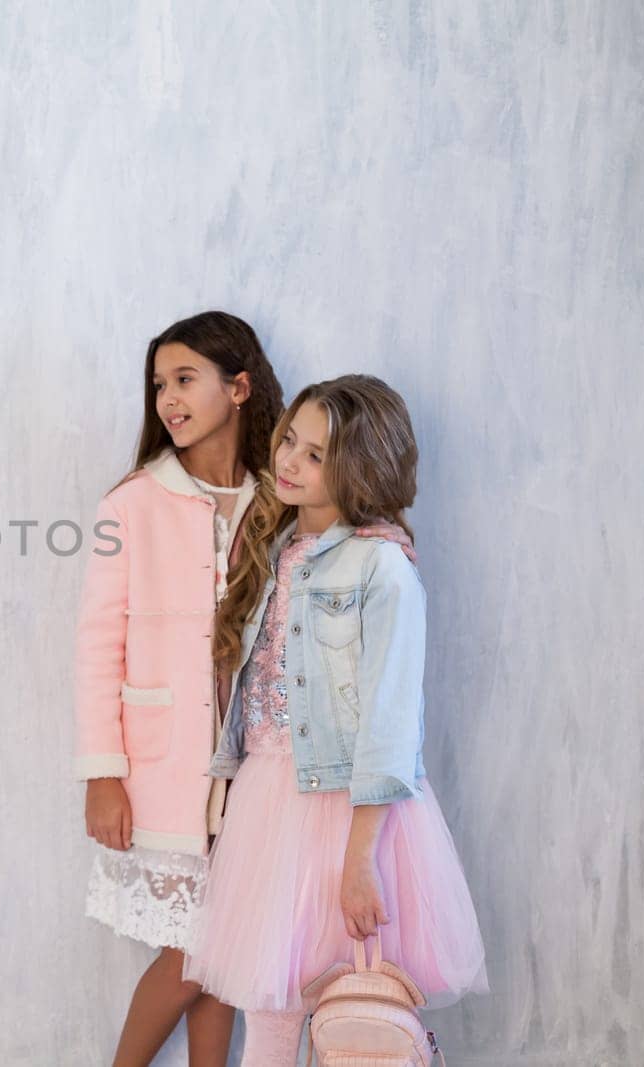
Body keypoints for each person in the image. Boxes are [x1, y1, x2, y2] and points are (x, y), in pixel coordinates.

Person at [73, 313, 414, 1066]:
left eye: (185, 379)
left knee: (231, 956)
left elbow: (343, 548)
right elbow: (98, 642)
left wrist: (384, 531)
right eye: (158, 384)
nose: (167, 398)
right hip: (166, 770)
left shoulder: (279, 496)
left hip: (255, 776)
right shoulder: (131, 503)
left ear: (240, 386)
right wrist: (103, 770)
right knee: (196, 955)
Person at [180, 375, 489, 1065]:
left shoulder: (382, 567)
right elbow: (255, 696)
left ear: (360, 467)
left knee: (349, 1013)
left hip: (346, 812)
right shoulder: (275, 549)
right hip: (266, 804)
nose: (288, 460)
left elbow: (390, 722)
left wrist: (359, 862)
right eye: (289, 439)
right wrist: (224, 794)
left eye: (314, 455)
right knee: (269, 1006)